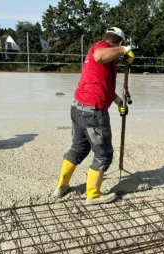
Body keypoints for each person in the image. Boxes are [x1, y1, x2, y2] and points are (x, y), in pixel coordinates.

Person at [54, 27, 135, 204]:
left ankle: (62, 186)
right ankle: (93, 194)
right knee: (104, 153)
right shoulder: (101, 48)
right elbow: (100, 55)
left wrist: (118, 101)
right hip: (93, 112)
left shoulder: (104, 55)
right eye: (120, 48)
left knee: (79, 149)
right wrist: (125, 50)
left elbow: (103, 87)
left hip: (78, 108)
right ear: (119, 43)